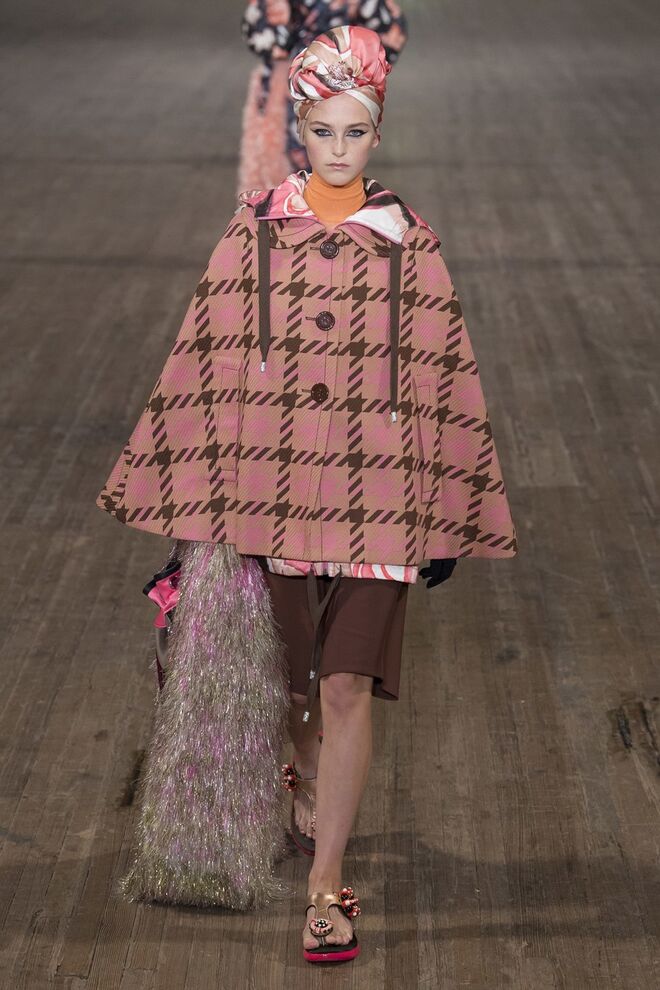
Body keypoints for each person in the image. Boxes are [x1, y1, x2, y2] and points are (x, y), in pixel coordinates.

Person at [96, 24, 517, 964]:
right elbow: (201, 363)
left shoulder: (410, 243)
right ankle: (304, 781)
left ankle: (328, 884)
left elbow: (448, 377)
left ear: (378, 134)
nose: (337, 150)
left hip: (379, 499)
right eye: (322, 132)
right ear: (300, 129)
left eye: (354, 133)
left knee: (347, 686)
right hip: (268, 496)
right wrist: (190, 505)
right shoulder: (254, 231)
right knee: (291, 689)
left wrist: (449, 516)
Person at [238, 0, 408, 193]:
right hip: (292, 90)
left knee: (331, 168)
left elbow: (261, 35)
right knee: (282, 172)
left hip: (331, 90)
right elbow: (390, 38)